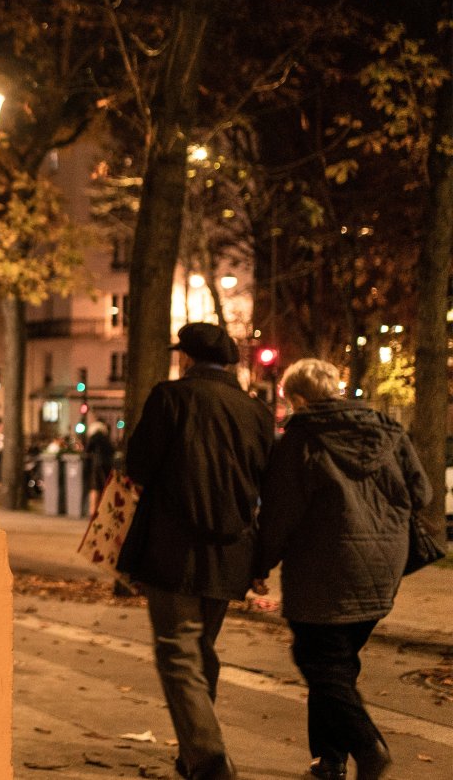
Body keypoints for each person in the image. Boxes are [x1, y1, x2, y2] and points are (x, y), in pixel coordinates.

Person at [252, 358, 435, 780]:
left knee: (315, 657)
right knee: (339, 661)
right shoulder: (388, 429)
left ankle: (367, 745)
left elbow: (280, 513)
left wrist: (260, 564)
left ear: (297, 398)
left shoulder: (301, 438)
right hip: (384, 563)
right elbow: (422, 492)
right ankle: (329, 759)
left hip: (323, 567)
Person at [117, 322, 275, 780]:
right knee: (200, 647)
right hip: (231, 551)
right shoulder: (256, 412)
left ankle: (207, 757)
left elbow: (139, 466)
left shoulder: (170, 398)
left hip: (173, 545)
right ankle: (192, 756)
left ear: (186, 357)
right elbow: (268, 482)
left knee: (178, 650)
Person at [85, 417, 117, 512]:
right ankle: (104, 509)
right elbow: (112, 450)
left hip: (96, 465)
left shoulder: (94, 437)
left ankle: (93, 510)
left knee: (95, 488)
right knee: (105, 486)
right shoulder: (106, 438)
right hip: (107, 464)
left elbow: (87, 450)